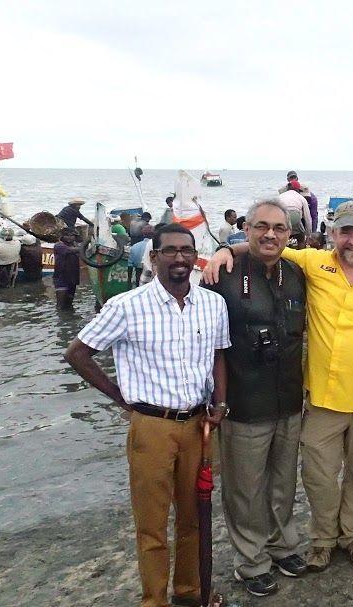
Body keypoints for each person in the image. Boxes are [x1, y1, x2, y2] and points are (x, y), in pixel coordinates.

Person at [203, 201, 353, 573]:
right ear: (333, 236)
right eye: (346, 232)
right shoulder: (314, 263)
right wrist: (225, 249)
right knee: (318, 476)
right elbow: (268, 244)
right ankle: (323, 539)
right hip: (323, 398)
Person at [64, 223, 230, 607]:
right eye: (169, 251)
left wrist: (220, 404)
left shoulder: (212, 304)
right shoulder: (126, 305)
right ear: (153, 258)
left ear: (195, 256)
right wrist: (121, 398)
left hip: (198, 425)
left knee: (194, 516)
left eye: (186, 250)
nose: (179, 258)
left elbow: (219, 355)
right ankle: (154, 600)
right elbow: (77, 353)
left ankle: (189, 591)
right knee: (152, 524)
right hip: (150, 427)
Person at [204, 199, 308, 596]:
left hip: (288, 399)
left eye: (279, 228)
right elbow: (205, 342)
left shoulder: (297, 273)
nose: (270, 234)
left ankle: (282, 546)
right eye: (261, 226)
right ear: (245, 229)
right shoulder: (224, 273)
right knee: (245, 488)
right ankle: (251, 562)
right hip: (243, 402)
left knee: (283, 482)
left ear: (289, 234)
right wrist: (215, 401)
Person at [54, 228, 81, 310]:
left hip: (73, 278)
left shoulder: (76, 245)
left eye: (71, 235)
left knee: (69, 304)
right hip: (61, 278)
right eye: (67, 235)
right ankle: (61, 320)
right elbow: (69, 251)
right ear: (62, 236)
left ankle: (69, 320)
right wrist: (85, 248)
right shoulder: (59, 245)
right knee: (60, 305)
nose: (69, 237)